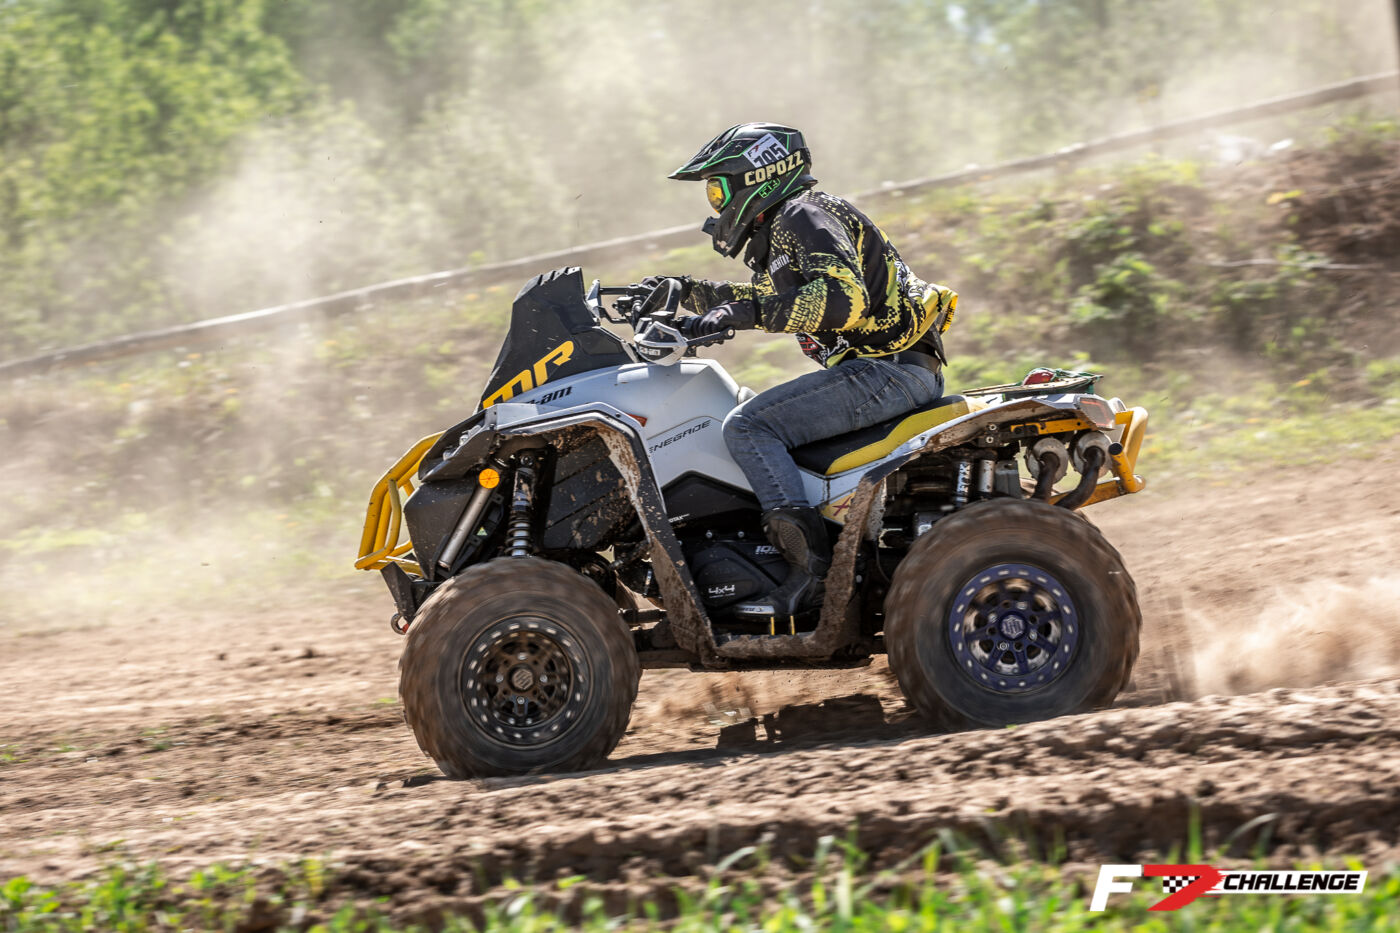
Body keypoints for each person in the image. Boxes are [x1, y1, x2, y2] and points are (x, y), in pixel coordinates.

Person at [654, 122, 958, 620]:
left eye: (717, 190)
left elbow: (843, 299)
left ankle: (810, 578)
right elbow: (766, 298)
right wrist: (686, 293)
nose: (715, 205)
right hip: (888, 370)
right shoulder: (792, 226)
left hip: (886, 369)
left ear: (758, 176)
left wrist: (739, 315)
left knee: (750, 425)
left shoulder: (803, 213)